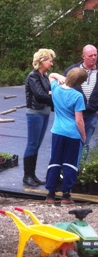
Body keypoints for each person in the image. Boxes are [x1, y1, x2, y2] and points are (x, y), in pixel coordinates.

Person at [44, 67, 87, 204]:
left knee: (55, 161)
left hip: (57, 131)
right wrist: (84, 136)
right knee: (69, 164)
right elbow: (79, 120)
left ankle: (50, 194)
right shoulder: (78, 96)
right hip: (72, 134)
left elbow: (51, 76)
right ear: (79, 83)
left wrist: (58, 76)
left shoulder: (56, 89)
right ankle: (66, 195)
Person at [22, 48, 55, 186]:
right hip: (35, 113)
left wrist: (51, 94)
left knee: (37, 145)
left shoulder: (44, 76)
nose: (52, 63)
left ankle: (32, 175)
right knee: (32, 144)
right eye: (49, 60)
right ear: (42, 61)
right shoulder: (33, 76)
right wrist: (53, 97)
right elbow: (40, 95)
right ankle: (27, 176)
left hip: (44, 112)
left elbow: (47, 92)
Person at [65, 44, 98, 162]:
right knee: (70, 142)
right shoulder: (72, 71)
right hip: (73, 114)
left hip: (91, 115)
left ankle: (80, 169)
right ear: (83, 56)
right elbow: (64, 88)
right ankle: (68, 168)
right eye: (90, 56)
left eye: (95, 55)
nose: (93, 58)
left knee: (85, 142)